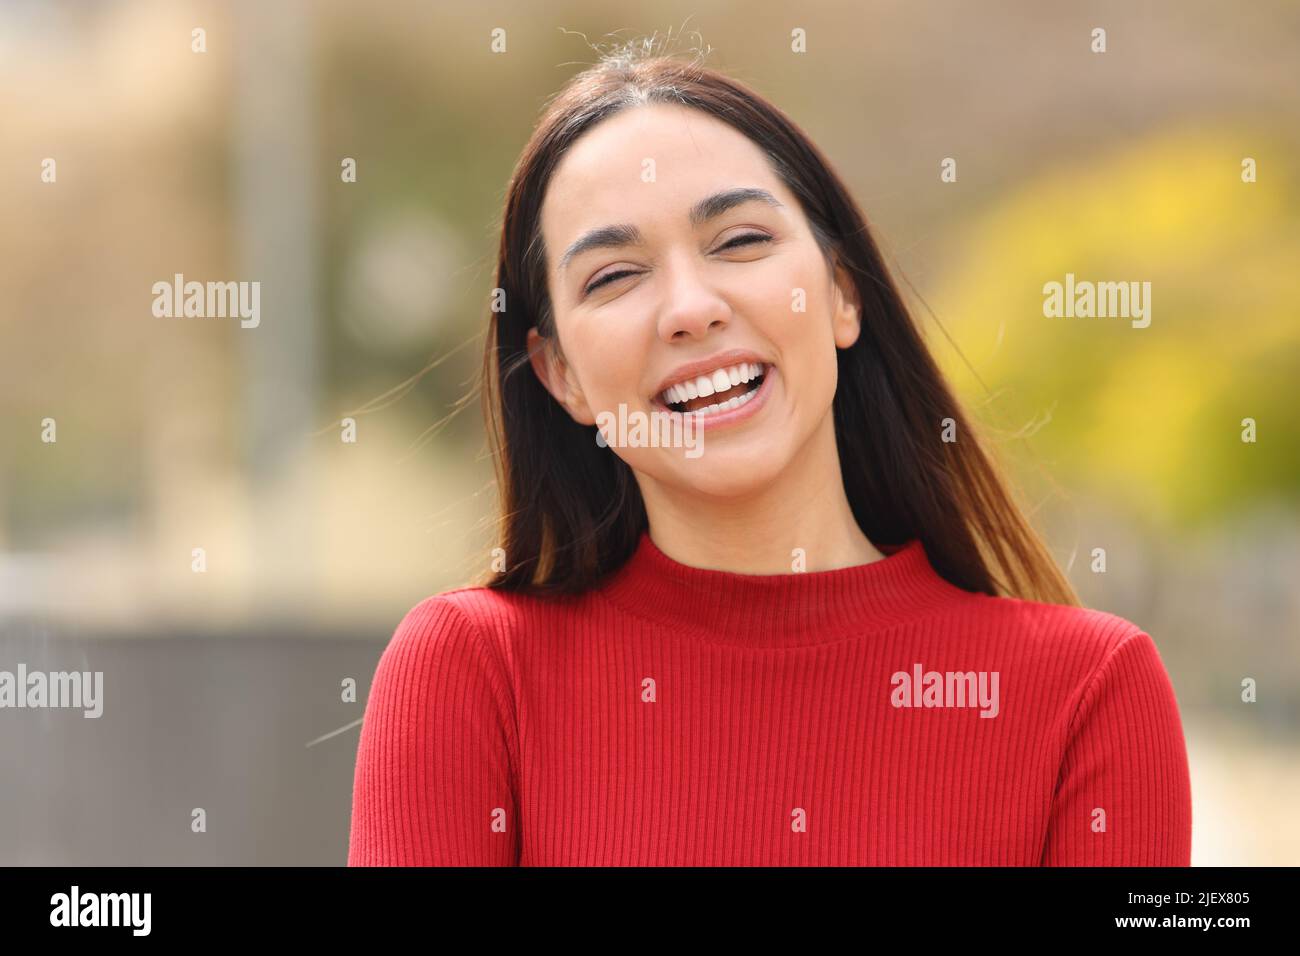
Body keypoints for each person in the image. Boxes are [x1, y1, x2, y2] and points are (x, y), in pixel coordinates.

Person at [348, 42, 1192, 866]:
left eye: (741, 241)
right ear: (560, 374)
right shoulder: (472, 677)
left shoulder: (1088, 693)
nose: (690, 307)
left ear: (841, 293)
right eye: (613, 276)